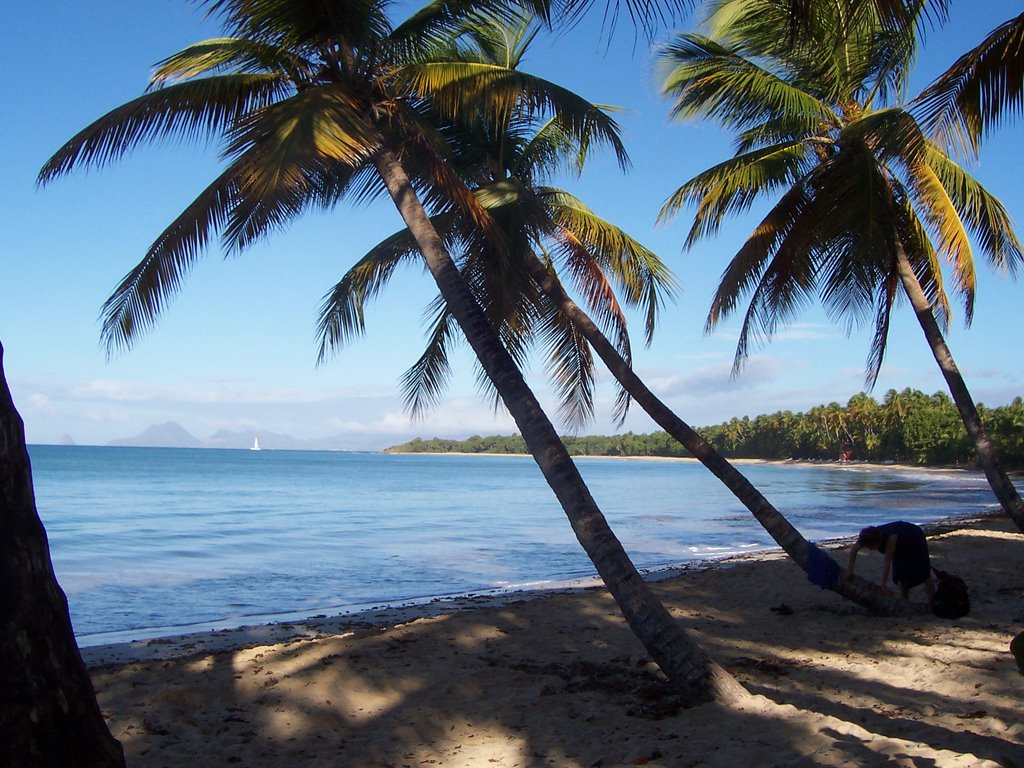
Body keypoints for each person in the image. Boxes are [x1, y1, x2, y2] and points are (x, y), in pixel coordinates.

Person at [845, 521, 936, 601]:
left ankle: (933, 600)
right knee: (901, 574)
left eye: (871, 547)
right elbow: (854, 550)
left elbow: (887, 561)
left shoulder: (891, 538)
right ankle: (905, 600)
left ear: (878, 541)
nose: (869, 549)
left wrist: (883, 584)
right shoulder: (867, 536)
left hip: (914, 538)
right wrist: (850, 570)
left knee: (923, 573)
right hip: (900, 544)